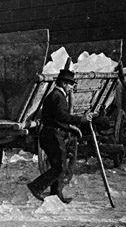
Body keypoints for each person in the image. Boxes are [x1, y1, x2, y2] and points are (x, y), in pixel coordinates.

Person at [27, 68, 94, 204]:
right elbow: (61, 116)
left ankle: (56, 195)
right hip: (52, 134)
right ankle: (36, 186)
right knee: (60, 167)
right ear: (63, 83)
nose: (71, 87)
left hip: (52, 133)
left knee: (58, 165)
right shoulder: (57, 96)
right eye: (70, 84)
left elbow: (58, 118)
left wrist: (71, 127)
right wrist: (80, 119)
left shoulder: (56, 95)